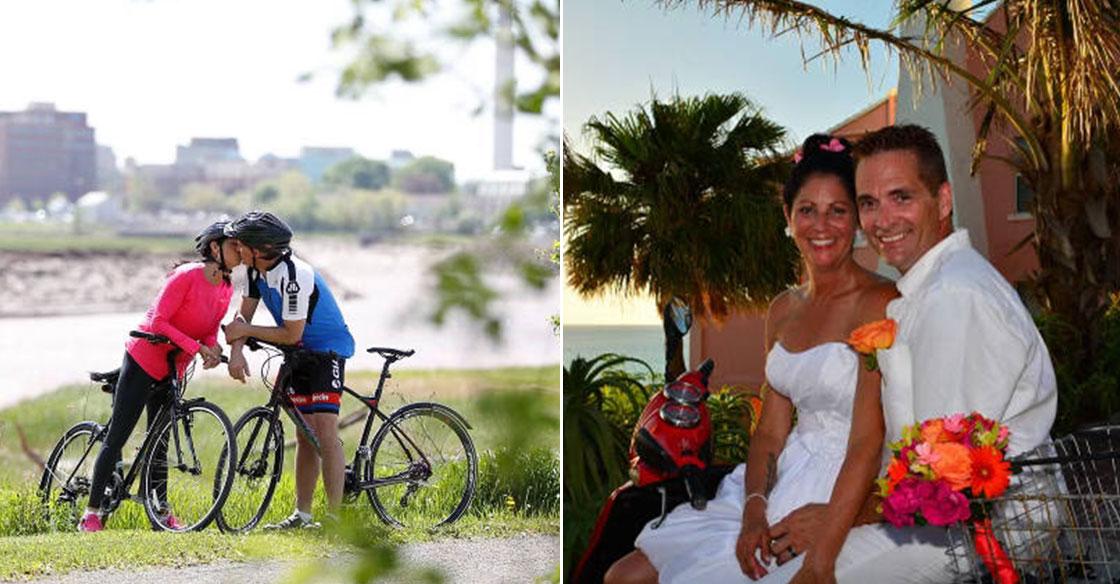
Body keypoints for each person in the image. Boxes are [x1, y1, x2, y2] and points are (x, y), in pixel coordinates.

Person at [604, 134, 898, 583]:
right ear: (788, 217)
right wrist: (754, 508)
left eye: (838, 210)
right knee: (624, 575)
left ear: (856, 219)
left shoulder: (879, 302)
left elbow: (868, 440)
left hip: (841, 485)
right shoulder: (783, 309)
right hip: (778, 478)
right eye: (807, 210)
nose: (822, 225)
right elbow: (770, 430)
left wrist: (839, 521)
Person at [776, 124, 1058, 583]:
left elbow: (945, 479)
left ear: (943, 201)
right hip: (942, 521)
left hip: (982, 534)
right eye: (869, 203)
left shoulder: (954, 295)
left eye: (901, 197)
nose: (882, 220)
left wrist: (836, 518)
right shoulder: (928, 289)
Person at [78, 221, 239, 532]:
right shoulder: (187, 276)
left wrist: (212, 348)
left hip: (174, 368)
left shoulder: (226, 287)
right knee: (118, 436)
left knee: (160, 443)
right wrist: (196, 347)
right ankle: (92, 513)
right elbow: (160, 322)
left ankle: (159, 512)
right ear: (215, 248)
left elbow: (207, 328)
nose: (240, 252)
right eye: (234, 246)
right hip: (144, 359)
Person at [222, 210, 355, 530]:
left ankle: (336, 519)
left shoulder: (296, 276)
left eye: (241, 245)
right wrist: (236, 354)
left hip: (327, 350)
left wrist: (247, 333)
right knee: (303, 435)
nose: (236, 250)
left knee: (325, 433)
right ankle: (303, 515)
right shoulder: (254, 273)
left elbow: (290, 333)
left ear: (259, 249)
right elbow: (242, 321)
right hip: (297, 353)